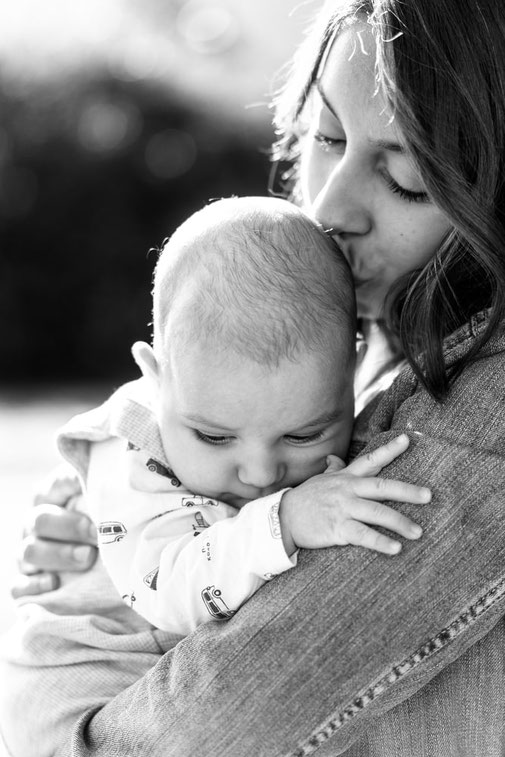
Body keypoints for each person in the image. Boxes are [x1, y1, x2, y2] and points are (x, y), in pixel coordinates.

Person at [5, 0, 505, 755]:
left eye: (405, 179)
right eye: (326, 136)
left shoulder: (483, 409)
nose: (332, 204)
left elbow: (206, 725)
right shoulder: (386, 355)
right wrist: (103, 521)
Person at [54, 195, 427, 636]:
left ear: (353, 374)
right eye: (213, 437)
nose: (261, 473)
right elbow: (167, 593)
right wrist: (283, 521)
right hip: (87, 678)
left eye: (305, 435)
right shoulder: (131, 457)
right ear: (156, 382)